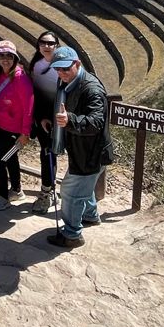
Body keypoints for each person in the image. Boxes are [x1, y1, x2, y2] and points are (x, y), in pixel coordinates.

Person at [45, 47, 113, 248]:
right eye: (57, 69)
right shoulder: (68, 82)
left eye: (65, 68)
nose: (61, 73)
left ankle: (72, 235)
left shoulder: (91, 89)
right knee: (85, 187)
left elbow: (96, 122)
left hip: (90, 153)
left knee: (71, 191)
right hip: (84, 150)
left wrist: (70, 121)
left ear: (77, 64)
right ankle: (90, 216)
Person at [0, 41, 34, 211]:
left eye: (9, 56)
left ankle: (2, 196)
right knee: (10, 158)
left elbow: (28, 108)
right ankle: (17, 190)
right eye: (1, 55)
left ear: (15, 58)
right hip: (2, 127)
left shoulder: (20, 78)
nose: (5, 59)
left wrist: (25, 133)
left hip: (15, 133)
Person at [26, 30, 64, 215]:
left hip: (61, 115)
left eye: (50, 43)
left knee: (55, 152)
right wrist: (40, 117)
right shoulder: (36, 65)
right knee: (47, 153)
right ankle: (47, 192)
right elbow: (36, 94)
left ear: (56, 45)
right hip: (42, 117)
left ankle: (54, 192)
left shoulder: (63, 66)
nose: (46, 46)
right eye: (43, 43)